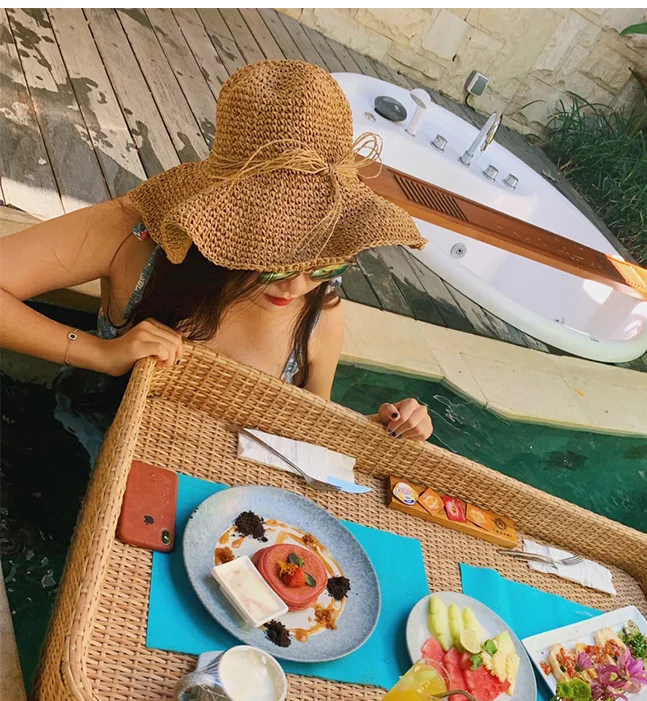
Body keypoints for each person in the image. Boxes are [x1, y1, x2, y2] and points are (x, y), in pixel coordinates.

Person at [0, 61, 433, 442]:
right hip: (89, 438)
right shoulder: (135, 237)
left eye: (324, 264)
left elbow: (306, 428)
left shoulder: (322, 314)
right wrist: (100, 352)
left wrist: (385, 429)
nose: (296, 286)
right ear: (228, 219)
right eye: (272, 260)